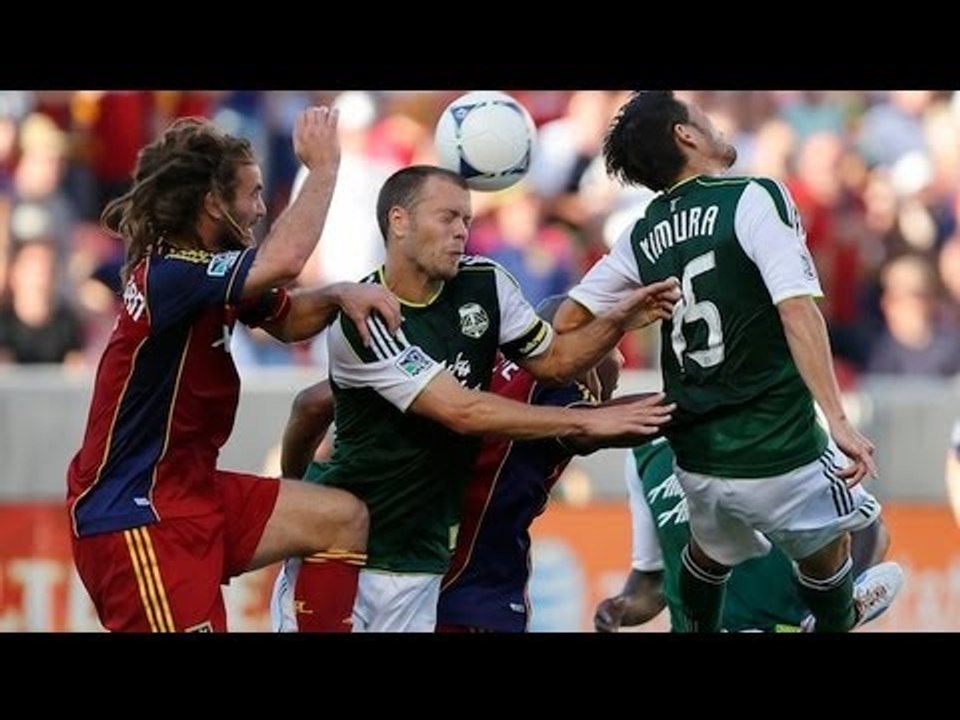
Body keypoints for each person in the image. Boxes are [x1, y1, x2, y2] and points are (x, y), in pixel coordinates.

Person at [274, 165, 680, 632]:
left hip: (423, 562)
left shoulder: (485, 292)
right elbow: (466, 411)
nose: (462, 231)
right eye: (448, 217)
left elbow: (312, 403)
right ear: (399, 220)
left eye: (467, 219)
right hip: (366, 552)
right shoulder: (369, 316)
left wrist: (615, 324)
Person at [555, 91, 893, 632]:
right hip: (777, 448)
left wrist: (623, 317)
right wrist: (838, 419)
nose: (714, 126)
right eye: (702, 119)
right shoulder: (754, 197)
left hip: (699, 460)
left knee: (709, 555)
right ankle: (832, 620)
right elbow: (797, 311)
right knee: (845, 547)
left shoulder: (642, 234)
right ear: (685, 136)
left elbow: (567, 322)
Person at [66, 108, 403, 633]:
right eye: (252, 194)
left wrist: (340, 294)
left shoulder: (206, 276)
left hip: (189, 491)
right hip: (136, 515)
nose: (260, 209)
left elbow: (290, 320)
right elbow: (284, 262)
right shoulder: (169, 274)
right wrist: (324, 169)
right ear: (212, 202)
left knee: (342, 519)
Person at [271, 295, 631, 633]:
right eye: (610, 342)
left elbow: (311, 404)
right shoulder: (554, 392)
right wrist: (680, 404)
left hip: (338, 556)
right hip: (462, 588)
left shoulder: (454, 350)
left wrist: (301, 491)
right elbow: (605, 424)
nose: (622, 359)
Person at [594, 438, 902, 633]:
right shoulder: (644, 454)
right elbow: (653, 579)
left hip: (785, 626)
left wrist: (832, 611)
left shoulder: (784, 421)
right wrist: (620, 607)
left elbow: (871, 530)